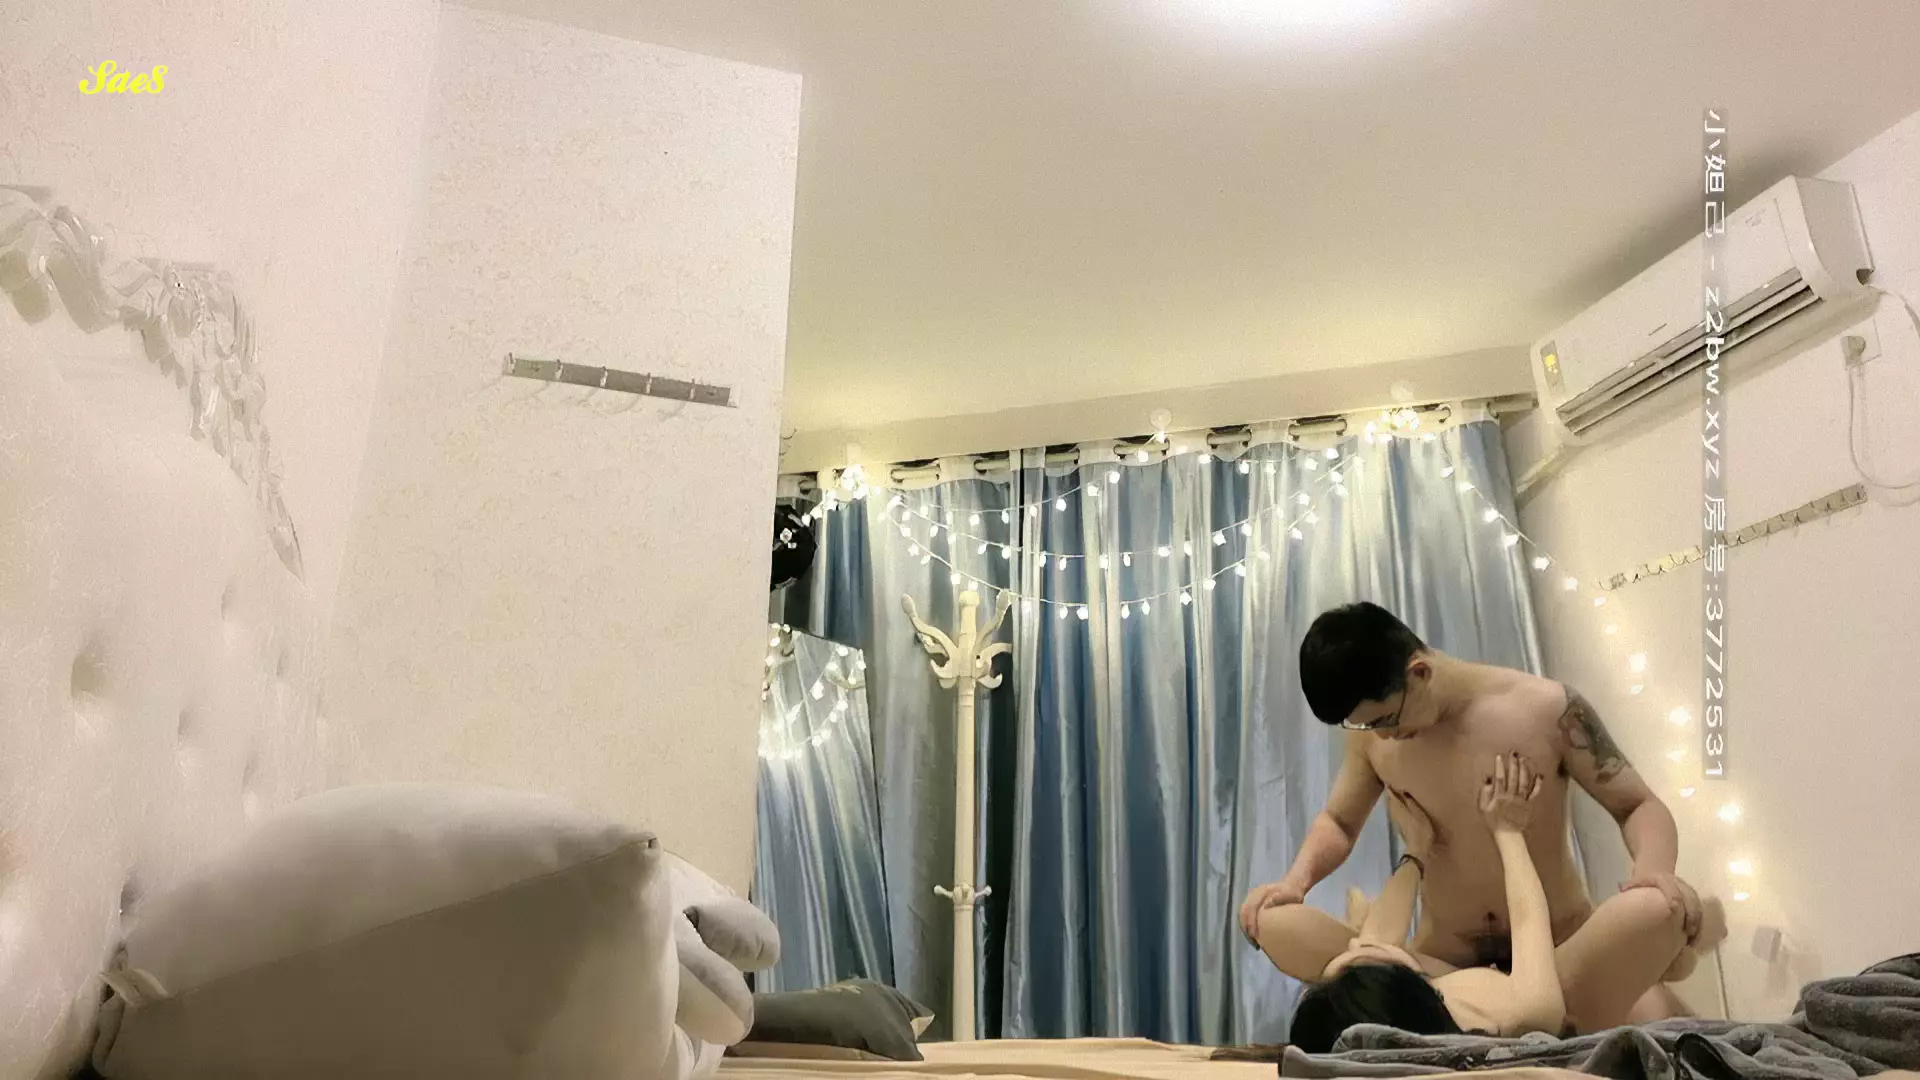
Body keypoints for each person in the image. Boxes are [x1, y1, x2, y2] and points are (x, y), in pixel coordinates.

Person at [1239, 603, 1704, 1002]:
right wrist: (1295, 882)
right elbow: (1340, 822)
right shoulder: (1374, 740)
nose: (1383, 735)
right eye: (1366, 726)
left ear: (1419, 673)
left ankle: (1527, 1004)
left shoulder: (1547, 709)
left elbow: (1636, 805)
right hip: (1444, 964)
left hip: (1561, 948)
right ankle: (1498, 1006)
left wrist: (1654, 870)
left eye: (1385, 720)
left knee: (1654, 910)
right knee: (1273, 920)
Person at [1276, 754, 1723, 1051]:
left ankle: (1680, 952)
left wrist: (1417, 850)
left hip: (1443, 976)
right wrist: (1507, 832)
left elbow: (1376, 941)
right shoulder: (1517, 1014)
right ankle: (1683, 949)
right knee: (1659, 918)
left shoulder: (1356, 998)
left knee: (1296, 929)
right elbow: (1530, 928)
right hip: (1552, 991)